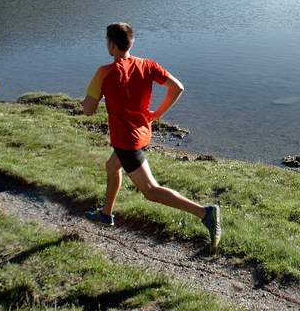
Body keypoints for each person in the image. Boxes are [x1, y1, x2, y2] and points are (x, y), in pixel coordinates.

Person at [81, 22, 221, 247]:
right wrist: (157, 114)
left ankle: (205, 213)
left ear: (111, 44)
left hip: (126, 141)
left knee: (151, 191)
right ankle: (105, 214)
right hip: (142, 134)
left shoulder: (104, 73)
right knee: (111, 167)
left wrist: (89, 100)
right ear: (131, 42)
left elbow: (88, 111)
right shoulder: (147, 65)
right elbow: (177, 87)